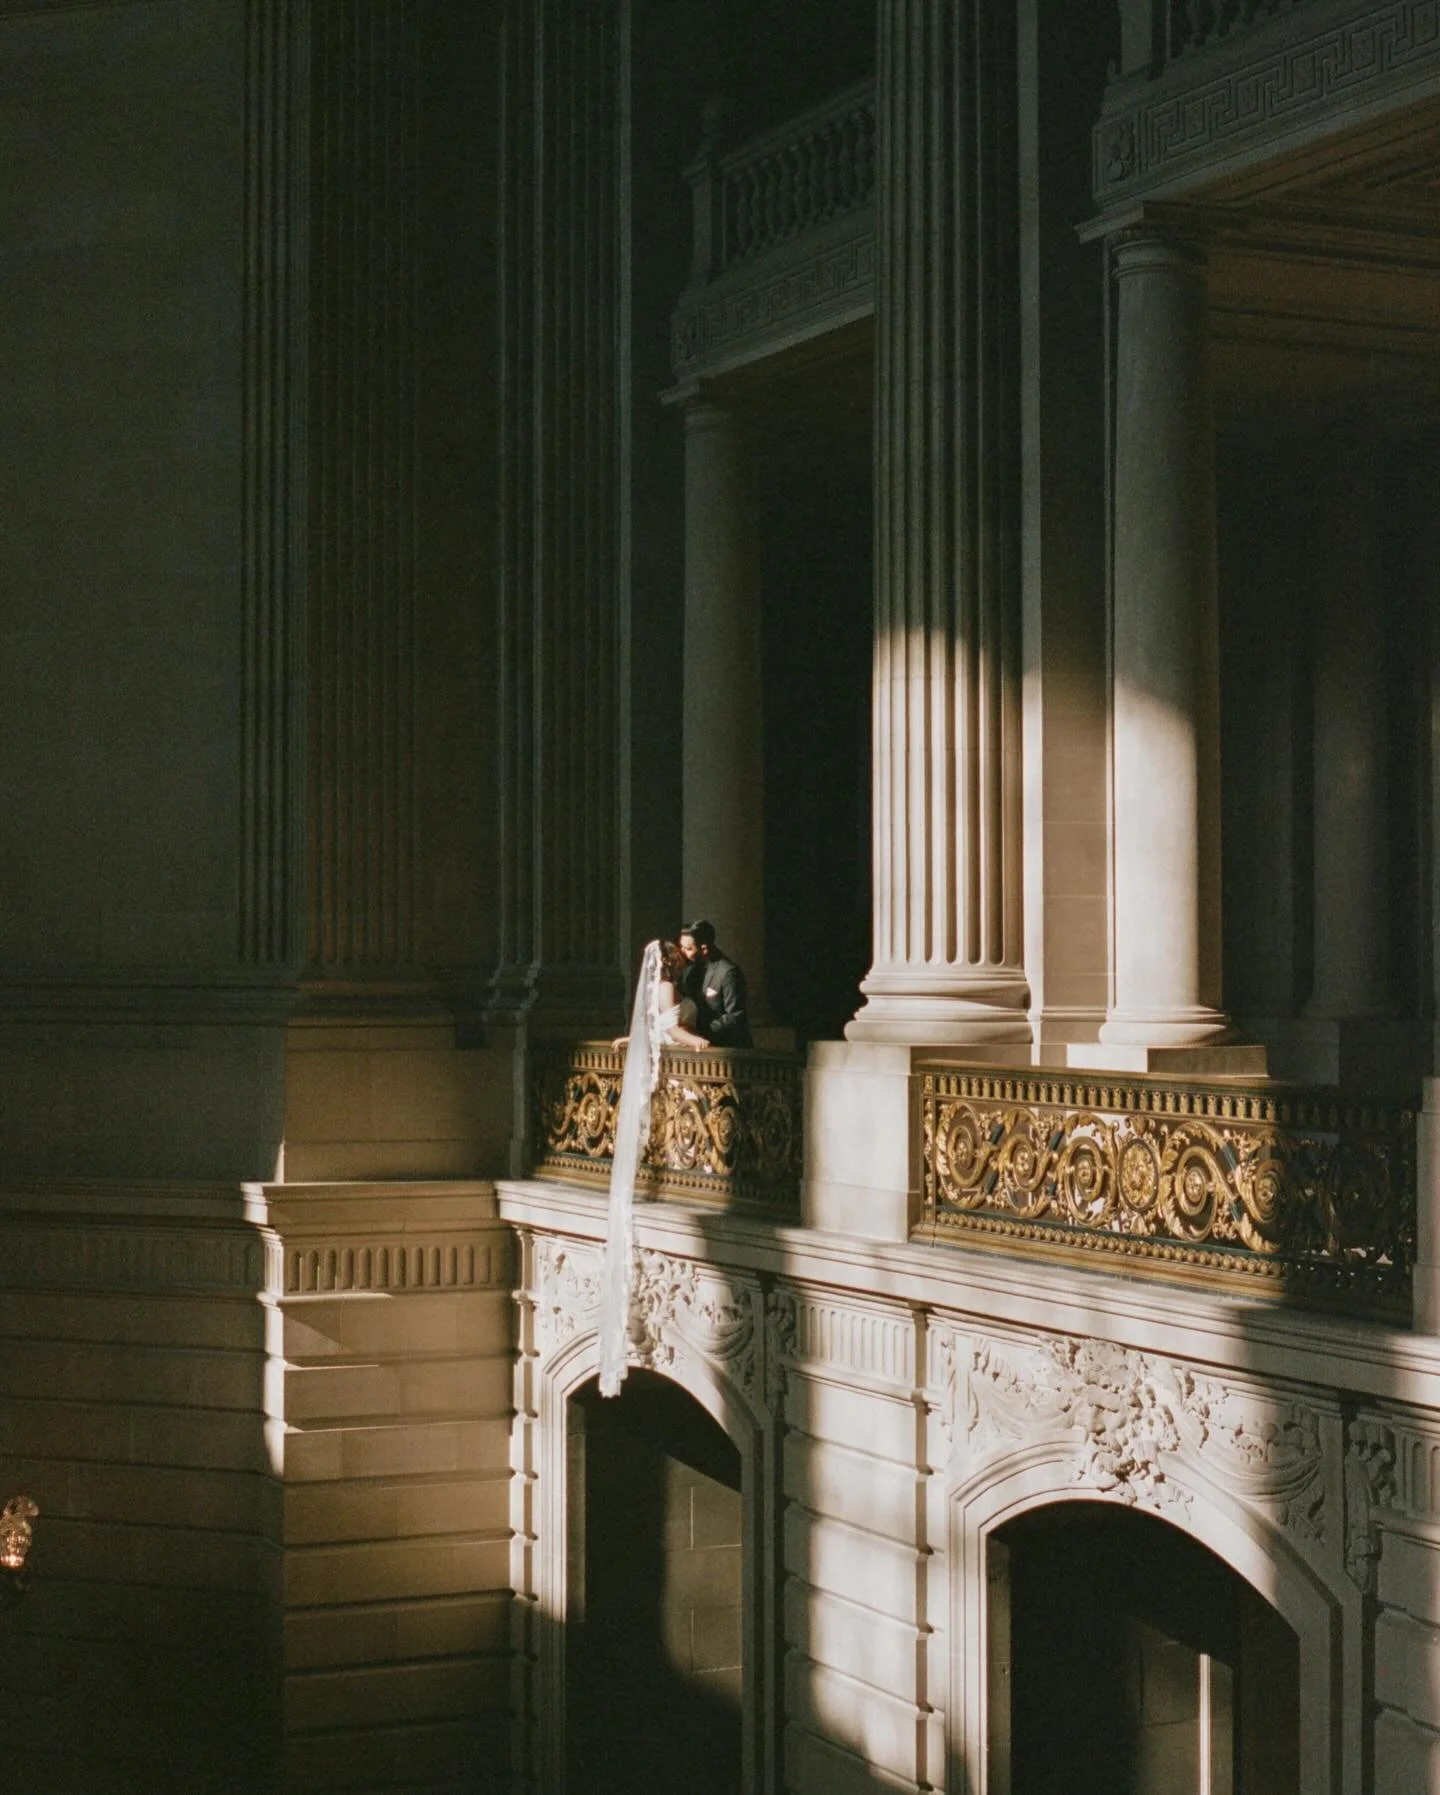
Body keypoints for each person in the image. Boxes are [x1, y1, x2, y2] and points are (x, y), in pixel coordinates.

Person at [611, 938, 707, 1053]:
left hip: (681, 1045)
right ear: (666, 960)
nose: (680, 958)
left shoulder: (658, 987)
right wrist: (697, 1041)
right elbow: (671, 1029)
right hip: (677, 1048)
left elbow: (654, 1024)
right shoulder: (666, 986)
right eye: (676, 954)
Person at [678, 918, 752, 1048]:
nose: (681, 952)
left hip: (727, 1047)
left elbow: (735, 1016)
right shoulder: (688, 970)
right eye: (681, 946)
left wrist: (699, 1030)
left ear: (704, 949)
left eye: (688, 948)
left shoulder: (728, 972)